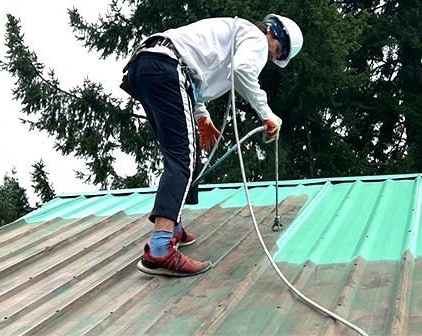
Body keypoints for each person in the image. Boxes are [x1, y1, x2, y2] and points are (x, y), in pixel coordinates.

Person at [121, 14, 303, 276]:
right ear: (273, 34)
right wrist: (267, 115)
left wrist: (201, 117)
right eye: (276, 52)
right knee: (183, 157)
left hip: (146, 67)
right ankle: (159, 249)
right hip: (167, 68)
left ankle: (173, 227)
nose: (271, 59)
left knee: (181, 150)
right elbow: (241, 71)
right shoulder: (255, 37)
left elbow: (195, 73)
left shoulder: (232, 32)